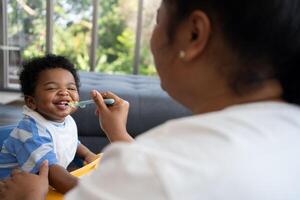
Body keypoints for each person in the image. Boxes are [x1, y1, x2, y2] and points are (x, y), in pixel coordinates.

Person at [1, 0, 300, 199]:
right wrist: (118, 135)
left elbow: (149, 174)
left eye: (158, 20)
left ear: (194, 34)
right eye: (53, 88)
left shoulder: (156, 167)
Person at [0, 54, 97, 194]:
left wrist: (88, 154)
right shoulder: (30, 132)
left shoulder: (65, 120)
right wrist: (94, 192)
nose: (64, 93)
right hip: (12, 191)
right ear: (31, 102)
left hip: (41, 184)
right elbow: (52, 173)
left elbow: (71, 141)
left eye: (71, 88)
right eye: (52, 88)